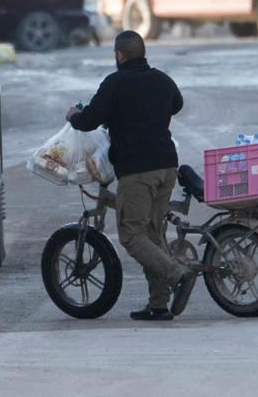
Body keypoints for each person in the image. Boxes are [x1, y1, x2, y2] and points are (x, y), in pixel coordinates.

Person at [67, 31, 196, 321]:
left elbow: (89, 120)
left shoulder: (115, 83)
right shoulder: (162, 79)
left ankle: (179, 275)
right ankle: (159, 304)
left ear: (119, 56)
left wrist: (73, 115)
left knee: (131, 235)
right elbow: (177, 104)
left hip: (138, 171)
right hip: (167, 167)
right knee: (152, 233)